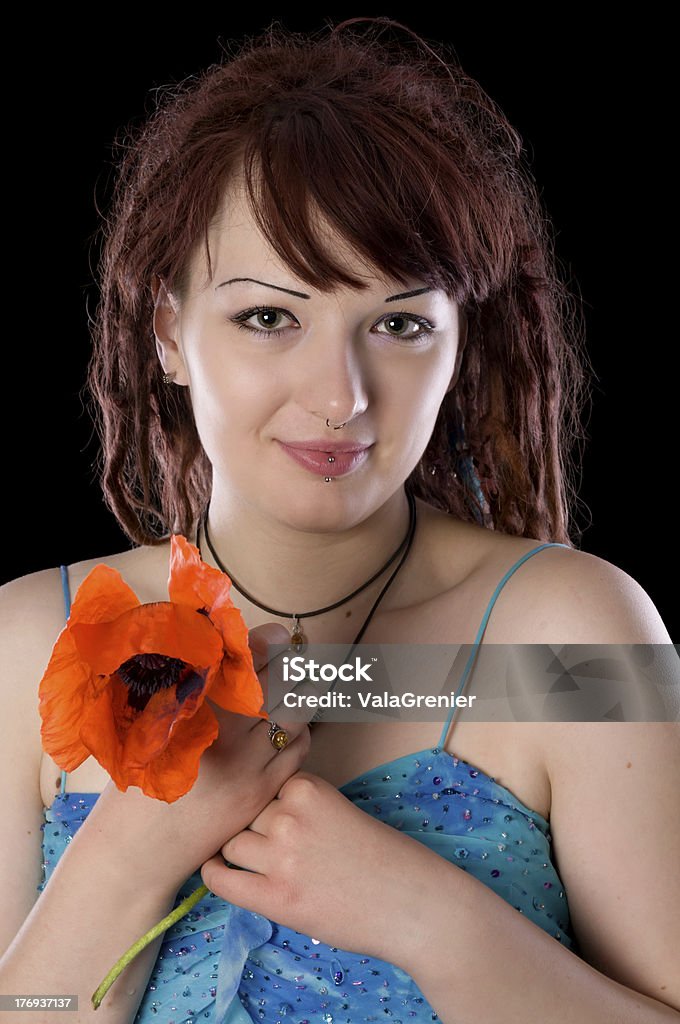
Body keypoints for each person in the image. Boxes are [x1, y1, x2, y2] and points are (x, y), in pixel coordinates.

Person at [1, 16, 677, 1024]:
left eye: (398, 324)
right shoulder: (25, 640)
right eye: (269, 316)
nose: (339, 396)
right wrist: (132, 852)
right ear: (168, 332)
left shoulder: (576, 635)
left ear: (458, 343)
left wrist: (431, 921)